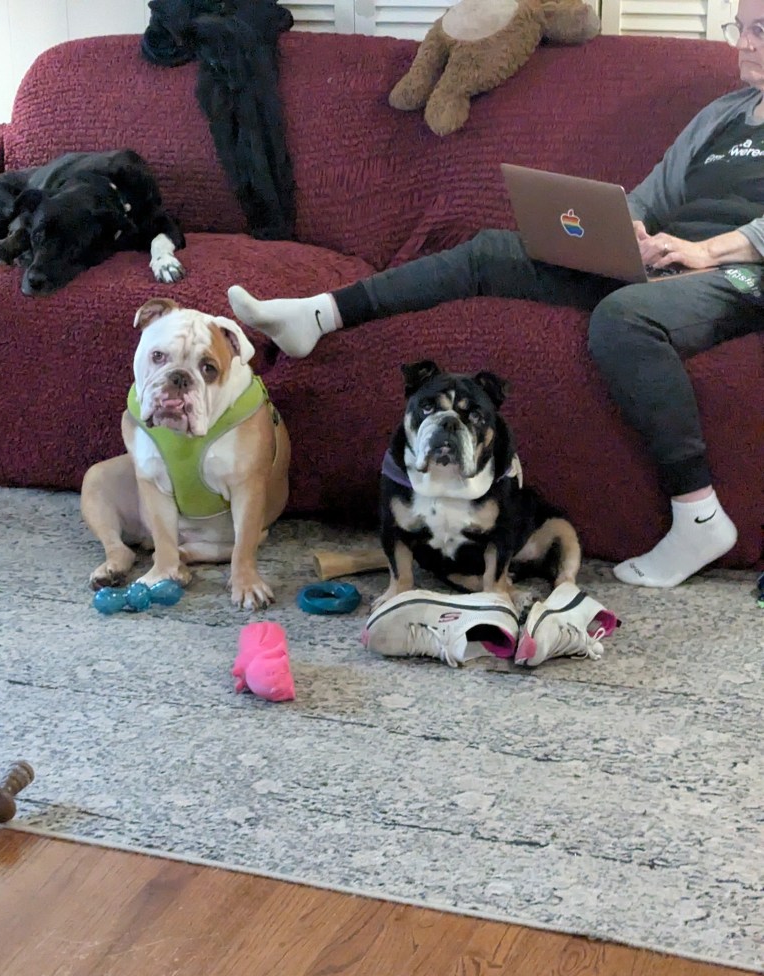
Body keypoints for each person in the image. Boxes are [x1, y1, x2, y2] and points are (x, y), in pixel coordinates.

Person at [228, 0, 764, 590]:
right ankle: (319, 314)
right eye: (738, 29)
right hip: (669, 258)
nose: (743, 43)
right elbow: (654, 193)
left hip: (740, 274)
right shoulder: (724, 113)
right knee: (489, 250)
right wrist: (627, 231)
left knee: (625, 318)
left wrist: (709, 251)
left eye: (759, 30)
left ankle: (700, 516)